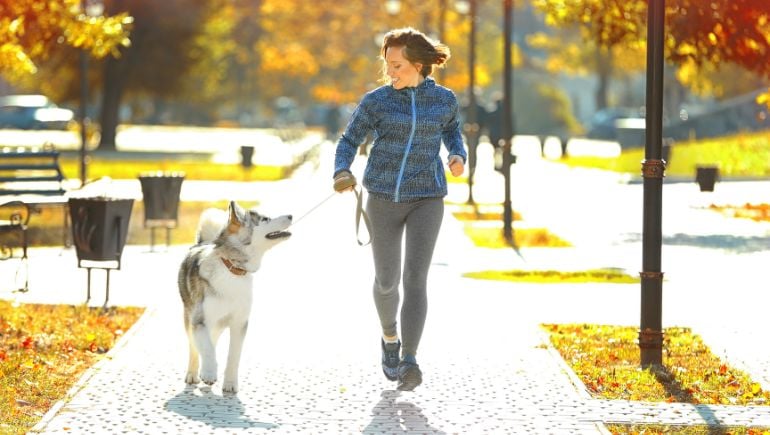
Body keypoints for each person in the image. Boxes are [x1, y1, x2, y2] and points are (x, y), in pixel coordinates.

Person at [332, 27, 466, 391]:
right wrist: (342, 170)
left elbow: (454, 131)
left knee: (416, 279)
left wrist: (457, 154)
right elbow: (348, 140)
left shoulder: (444, 100)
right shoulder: (376, 101)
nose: (390, 72)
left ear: (419, 65)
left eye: (397, 65)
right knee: (387, 281)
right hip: (383, 198)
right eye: (388, 65)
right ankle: (390, 338)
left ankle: (410, 361)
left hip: (428, 198)